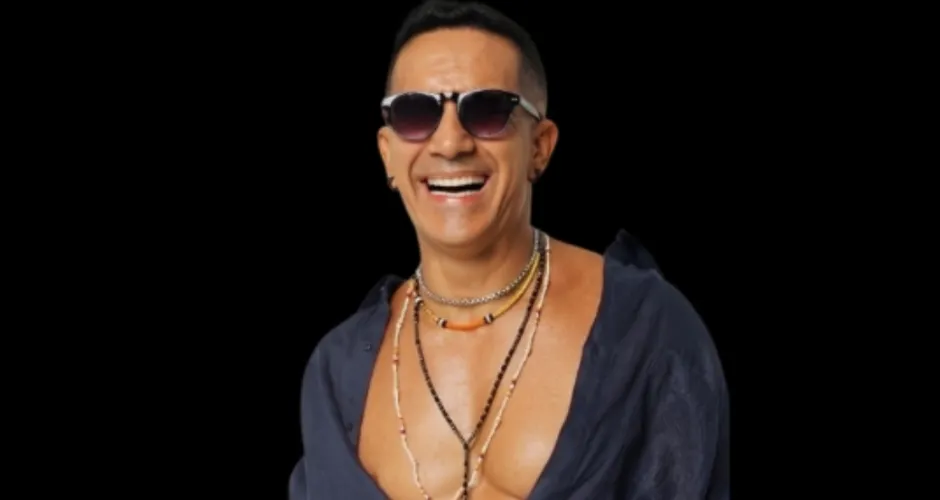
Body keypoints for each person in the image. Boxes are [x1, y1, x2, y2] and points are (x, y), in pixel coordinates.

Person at [289, 1, 729, 498]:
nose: (450, 143)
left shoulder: (645, 332)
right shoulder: (336, 373)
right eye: (416, 113)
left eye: (487, 111)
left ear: (540, 146)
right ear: (387, 155)